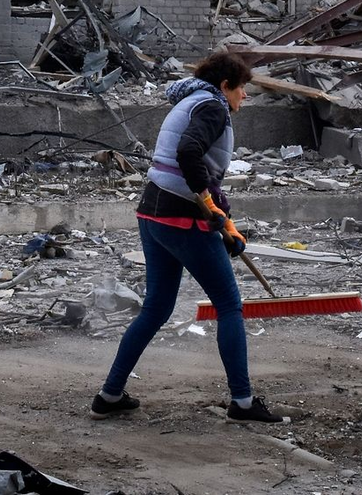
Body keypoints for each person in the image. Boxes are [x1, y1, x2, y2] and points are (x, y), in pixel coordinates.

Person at [89, 50, 284, 424]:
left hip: (153, 212)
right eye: (241, 88)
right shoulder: (212, 107)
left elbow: (200, 173)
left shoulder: (192, 101)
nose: (245, 95)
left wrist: (226, 225)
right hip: (182, 218)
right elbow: (189, 153)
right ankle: (243, 403)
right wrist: (208, 206)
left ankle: (109, 395)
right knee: (229, 305)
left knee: (156, 308)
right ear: (225, 85)